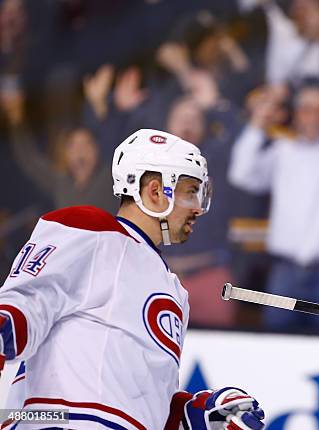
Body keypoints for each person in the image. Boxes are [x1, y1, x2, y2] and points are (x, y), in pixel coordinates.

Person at [0, 128, 265, 430]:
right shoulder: (92, 230)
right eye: (190, 192)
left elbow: (138, 402)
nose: (196, 209)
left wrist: (197, 415)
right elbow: (21, 306)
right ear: (155, 191)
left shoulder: (173, 289)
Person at [228, 83, 319, 333]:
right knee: (277, 347)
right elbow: (242, 174)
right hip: (285, 271)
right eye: (306, 109)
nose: (313, 116)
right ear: (296, 113)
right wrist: (258, 124)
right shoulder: (283, 150)